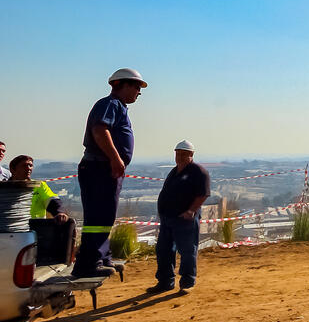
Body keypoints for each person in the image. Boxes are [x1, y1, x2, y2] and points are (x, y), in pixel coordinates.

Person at [74, 68, 146, 279]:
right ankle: (88, 263)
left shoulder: (117, 106)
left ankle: (102, 256)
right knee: (98, 216)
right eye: (136, 87)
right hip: (100, 167)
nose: (138, 92)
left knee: (104, 216)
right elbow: (100, 130)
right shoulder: (110, 104)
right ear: (121, 84)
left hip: (103, 168)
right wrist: (115, 158)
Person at [148, 140, 211, 294]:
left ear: (191, 155)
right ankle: (165, 282)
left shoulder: (198, 172)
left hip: (185, 219)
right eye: (178, 154)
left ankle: (187, 282)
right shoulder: (174, 171)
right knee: (163, 250)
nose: (180, 157)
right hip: (167, 219)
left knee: (187, 250)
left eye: (184, 154)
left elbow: (203, 194)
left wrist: (191, 211)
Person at [11, 155, 68, 223]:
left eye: (30, 165)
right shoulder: (3, 187)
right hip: (12, 227)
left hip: (36, 227)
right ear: (13, 169)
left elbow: (51, 199)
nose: (28, 168)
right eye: (24, 165)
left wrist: (59, 212)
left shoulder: (39, 185)